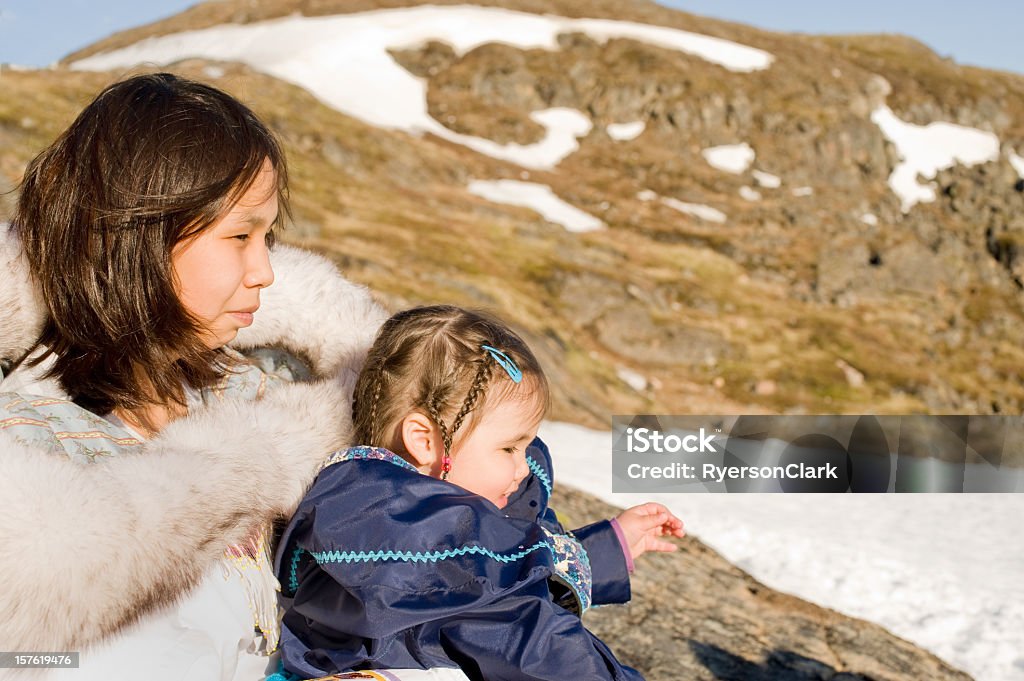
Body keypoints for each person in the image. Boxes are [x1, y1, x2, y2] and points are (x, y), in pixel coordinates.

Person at [0, 72, 390, 680]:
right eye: (239, 236)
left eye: (268, 236)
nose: (265, 270)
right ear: (137, 238)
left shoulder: (255, 393)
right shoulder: (30, 454)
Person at [276, 306, 685, 680]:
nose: (524, 467)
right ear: (425, 441)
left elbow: (510, 565)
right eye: (509, 447)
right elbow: (531, 642)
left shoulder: (394, 522)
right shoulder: (436, 552)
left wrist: (606, 547)